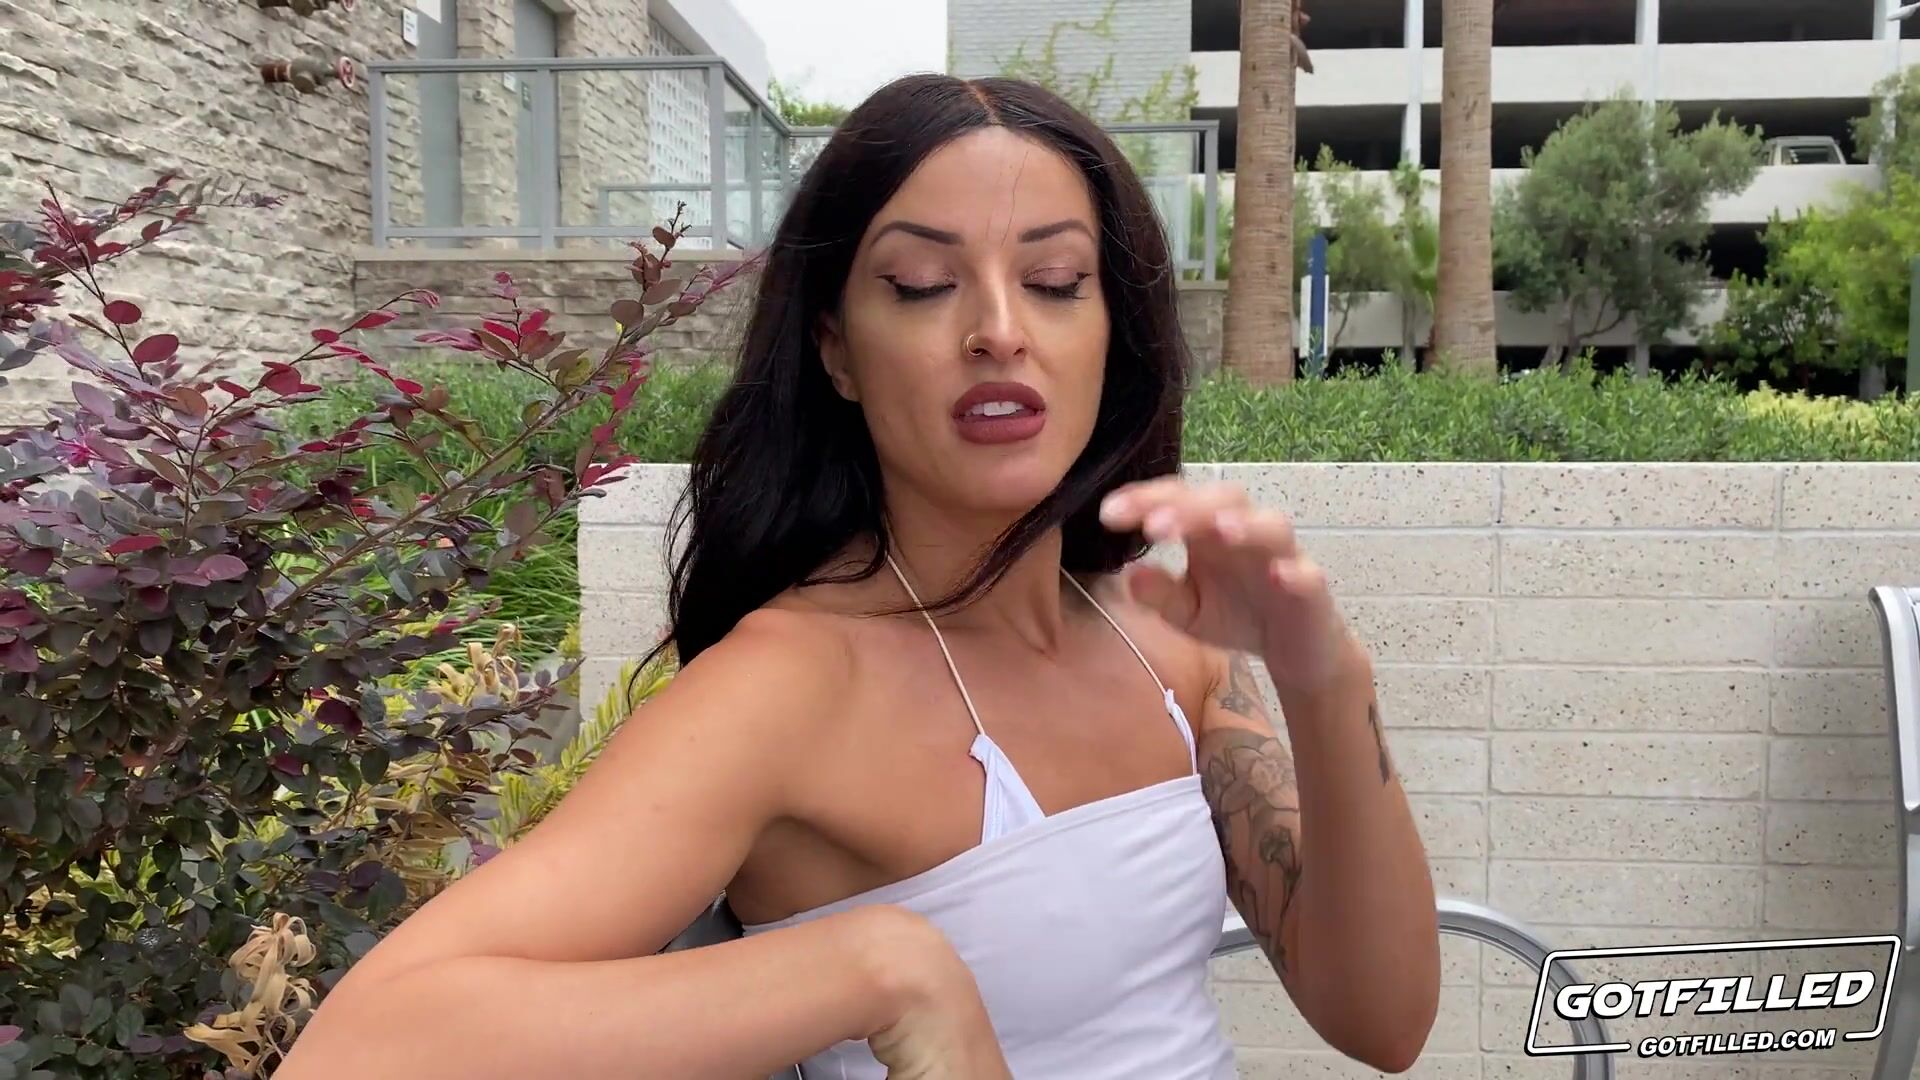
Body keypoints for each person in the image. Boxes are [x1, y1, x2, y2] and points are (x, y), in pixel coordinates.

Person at [278, 72, 1441, 1079]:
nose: (999, 330)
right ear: (835, 348)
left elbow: (1382, 1021)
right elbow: (369, 1045)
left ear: (1112, 332)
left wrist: (1325, 682)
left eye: (1055, 280)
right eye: (923, 284)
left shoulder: (1163, 640)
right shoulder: (792, 684)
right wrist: (877, 969)